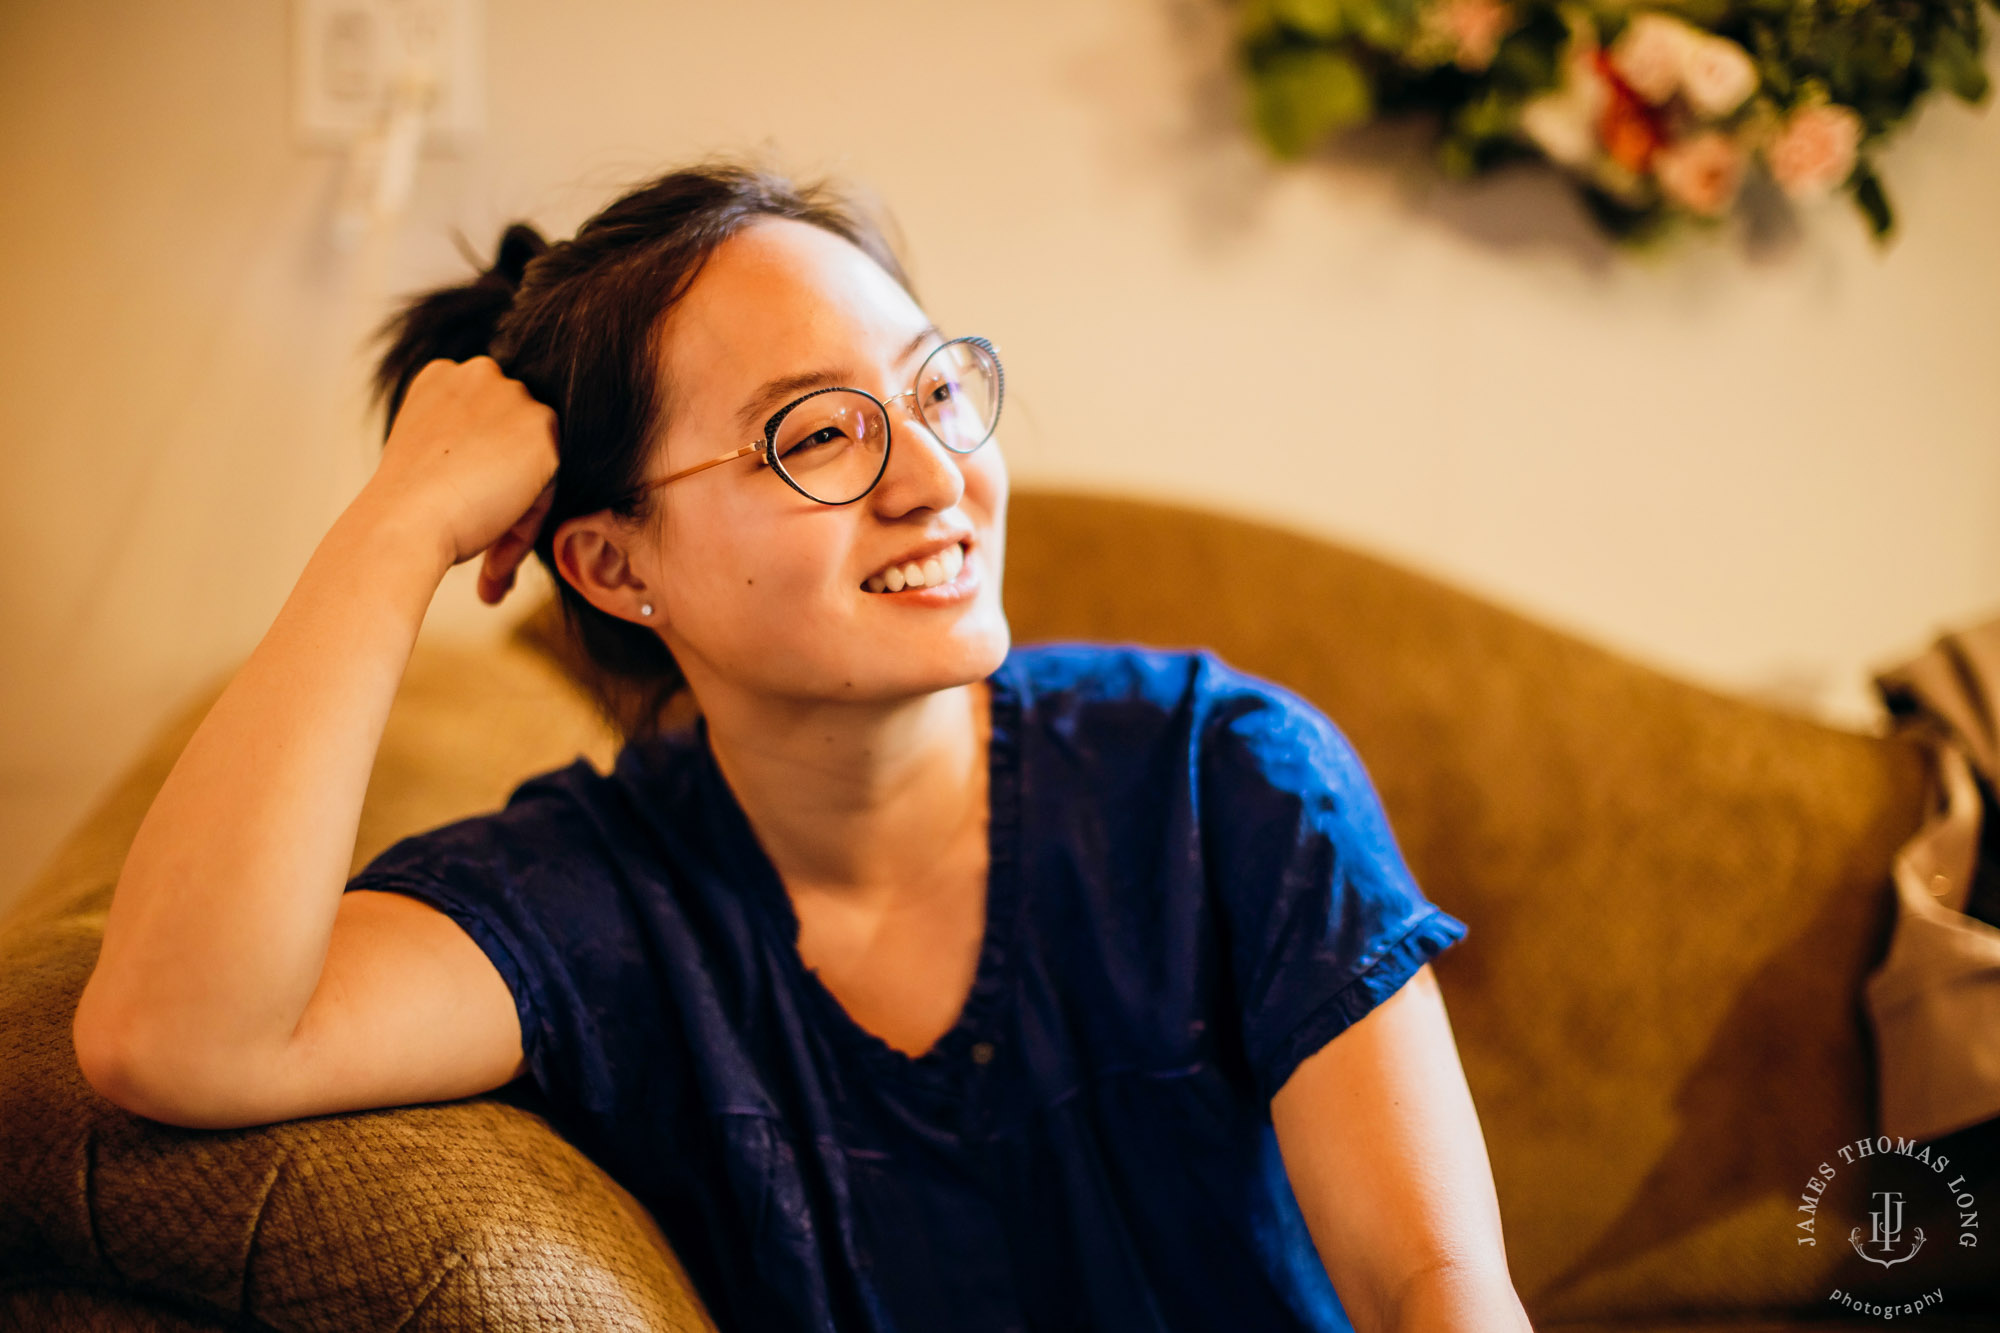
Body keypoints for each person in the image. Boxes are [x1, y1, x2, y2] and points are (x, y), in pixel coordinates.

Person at [72, 160, 1532, 1332]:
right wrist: (397, 527)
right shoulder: (600, 910)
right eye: (816, 436)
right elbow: (172, 1032)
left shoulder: (1221, 778)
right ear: (612, 564)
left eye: (936, 389)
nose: (933, 475)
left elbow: (1436, 1285)